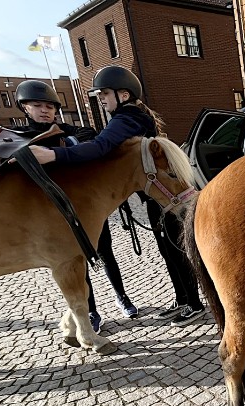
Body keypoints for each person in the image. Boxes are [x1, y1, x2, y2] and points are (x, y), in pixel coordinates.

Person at [27, 65, 205, 328]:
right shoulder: (131, 116)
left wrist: (54, 155)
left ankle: (194, 303)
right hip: (152, 195)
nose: (101, 99)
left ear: (122, 95)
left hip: (161, 195)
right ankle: (182, 299)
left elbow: (100, 147)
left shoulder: (126, 118)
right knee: (168, 251)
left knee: (174, 251)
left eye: (105, 94)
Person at [14, 79, 139, 334]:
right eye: (37, 105)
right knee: (76, 263)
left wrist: (60, 148)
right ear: (25, 108)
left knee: (106, 253)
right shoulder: (19, 139)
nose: (44, 110)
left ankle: (121, 295)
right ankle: (91, 310)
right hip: (55, 214)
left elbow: (90, 138)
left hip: (88, 208)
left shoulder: (70, 131)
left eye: (49, 106)